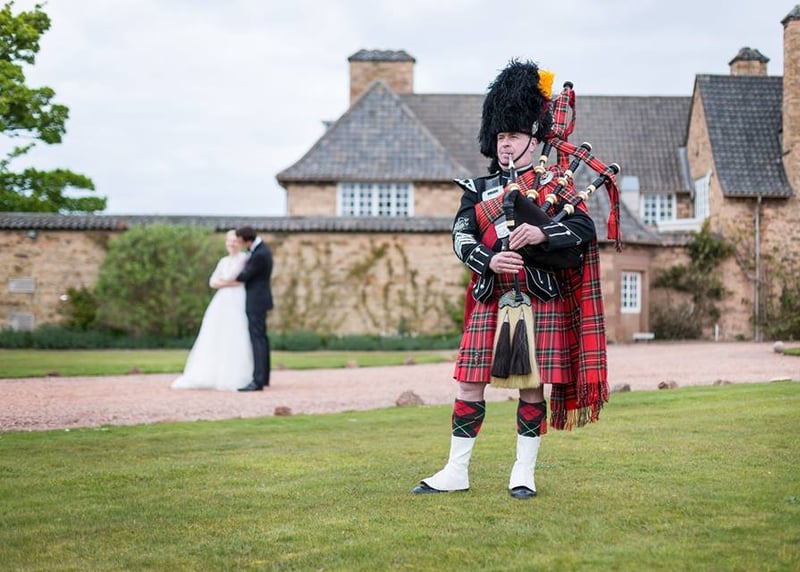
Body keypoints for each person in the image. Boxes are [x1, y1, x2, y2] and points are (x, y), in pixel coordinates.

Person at [412, 60, 617, 499]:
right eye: (501, 136)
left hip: (538, 296)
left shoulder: (556, 185)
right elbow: (461, 237)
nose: (505, 144)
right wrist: (489, 260)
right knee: (469, 382)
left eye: (514, 136)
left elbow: (583, 229)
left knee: (530, 387)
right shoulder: (477, 189)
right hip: (491, 296)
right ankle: (456, 471)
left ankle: (523, 472)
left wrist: (542, 233)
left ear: (535, 140)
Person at [172, 230, 253, 391]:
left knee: (236, 332)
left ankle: (235, 374)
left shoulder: (244, 258)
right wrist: (226, 283)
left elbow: (234, 278)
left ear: (240, 242)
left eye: (235, 241)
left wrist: (223, 282)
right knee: (215, 332)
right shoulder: (223, 261)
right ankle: (212, 372)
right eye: (229, 241)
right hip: (221, 301)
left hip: (237, 299)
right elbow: (212, 281)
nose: (232, 244)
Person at [230, 226, 273, 392]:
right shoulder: (260, 250)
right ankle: (264, 377)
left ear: (245, 240)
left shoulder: (260, 254)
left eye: (239, 241)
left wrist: (237, 267)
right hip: (260, 299)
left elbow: (244, 276)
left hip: (257, 300)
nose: (239, 244)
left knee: (258, 339)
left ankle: (258, 380)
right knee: (261, 338)